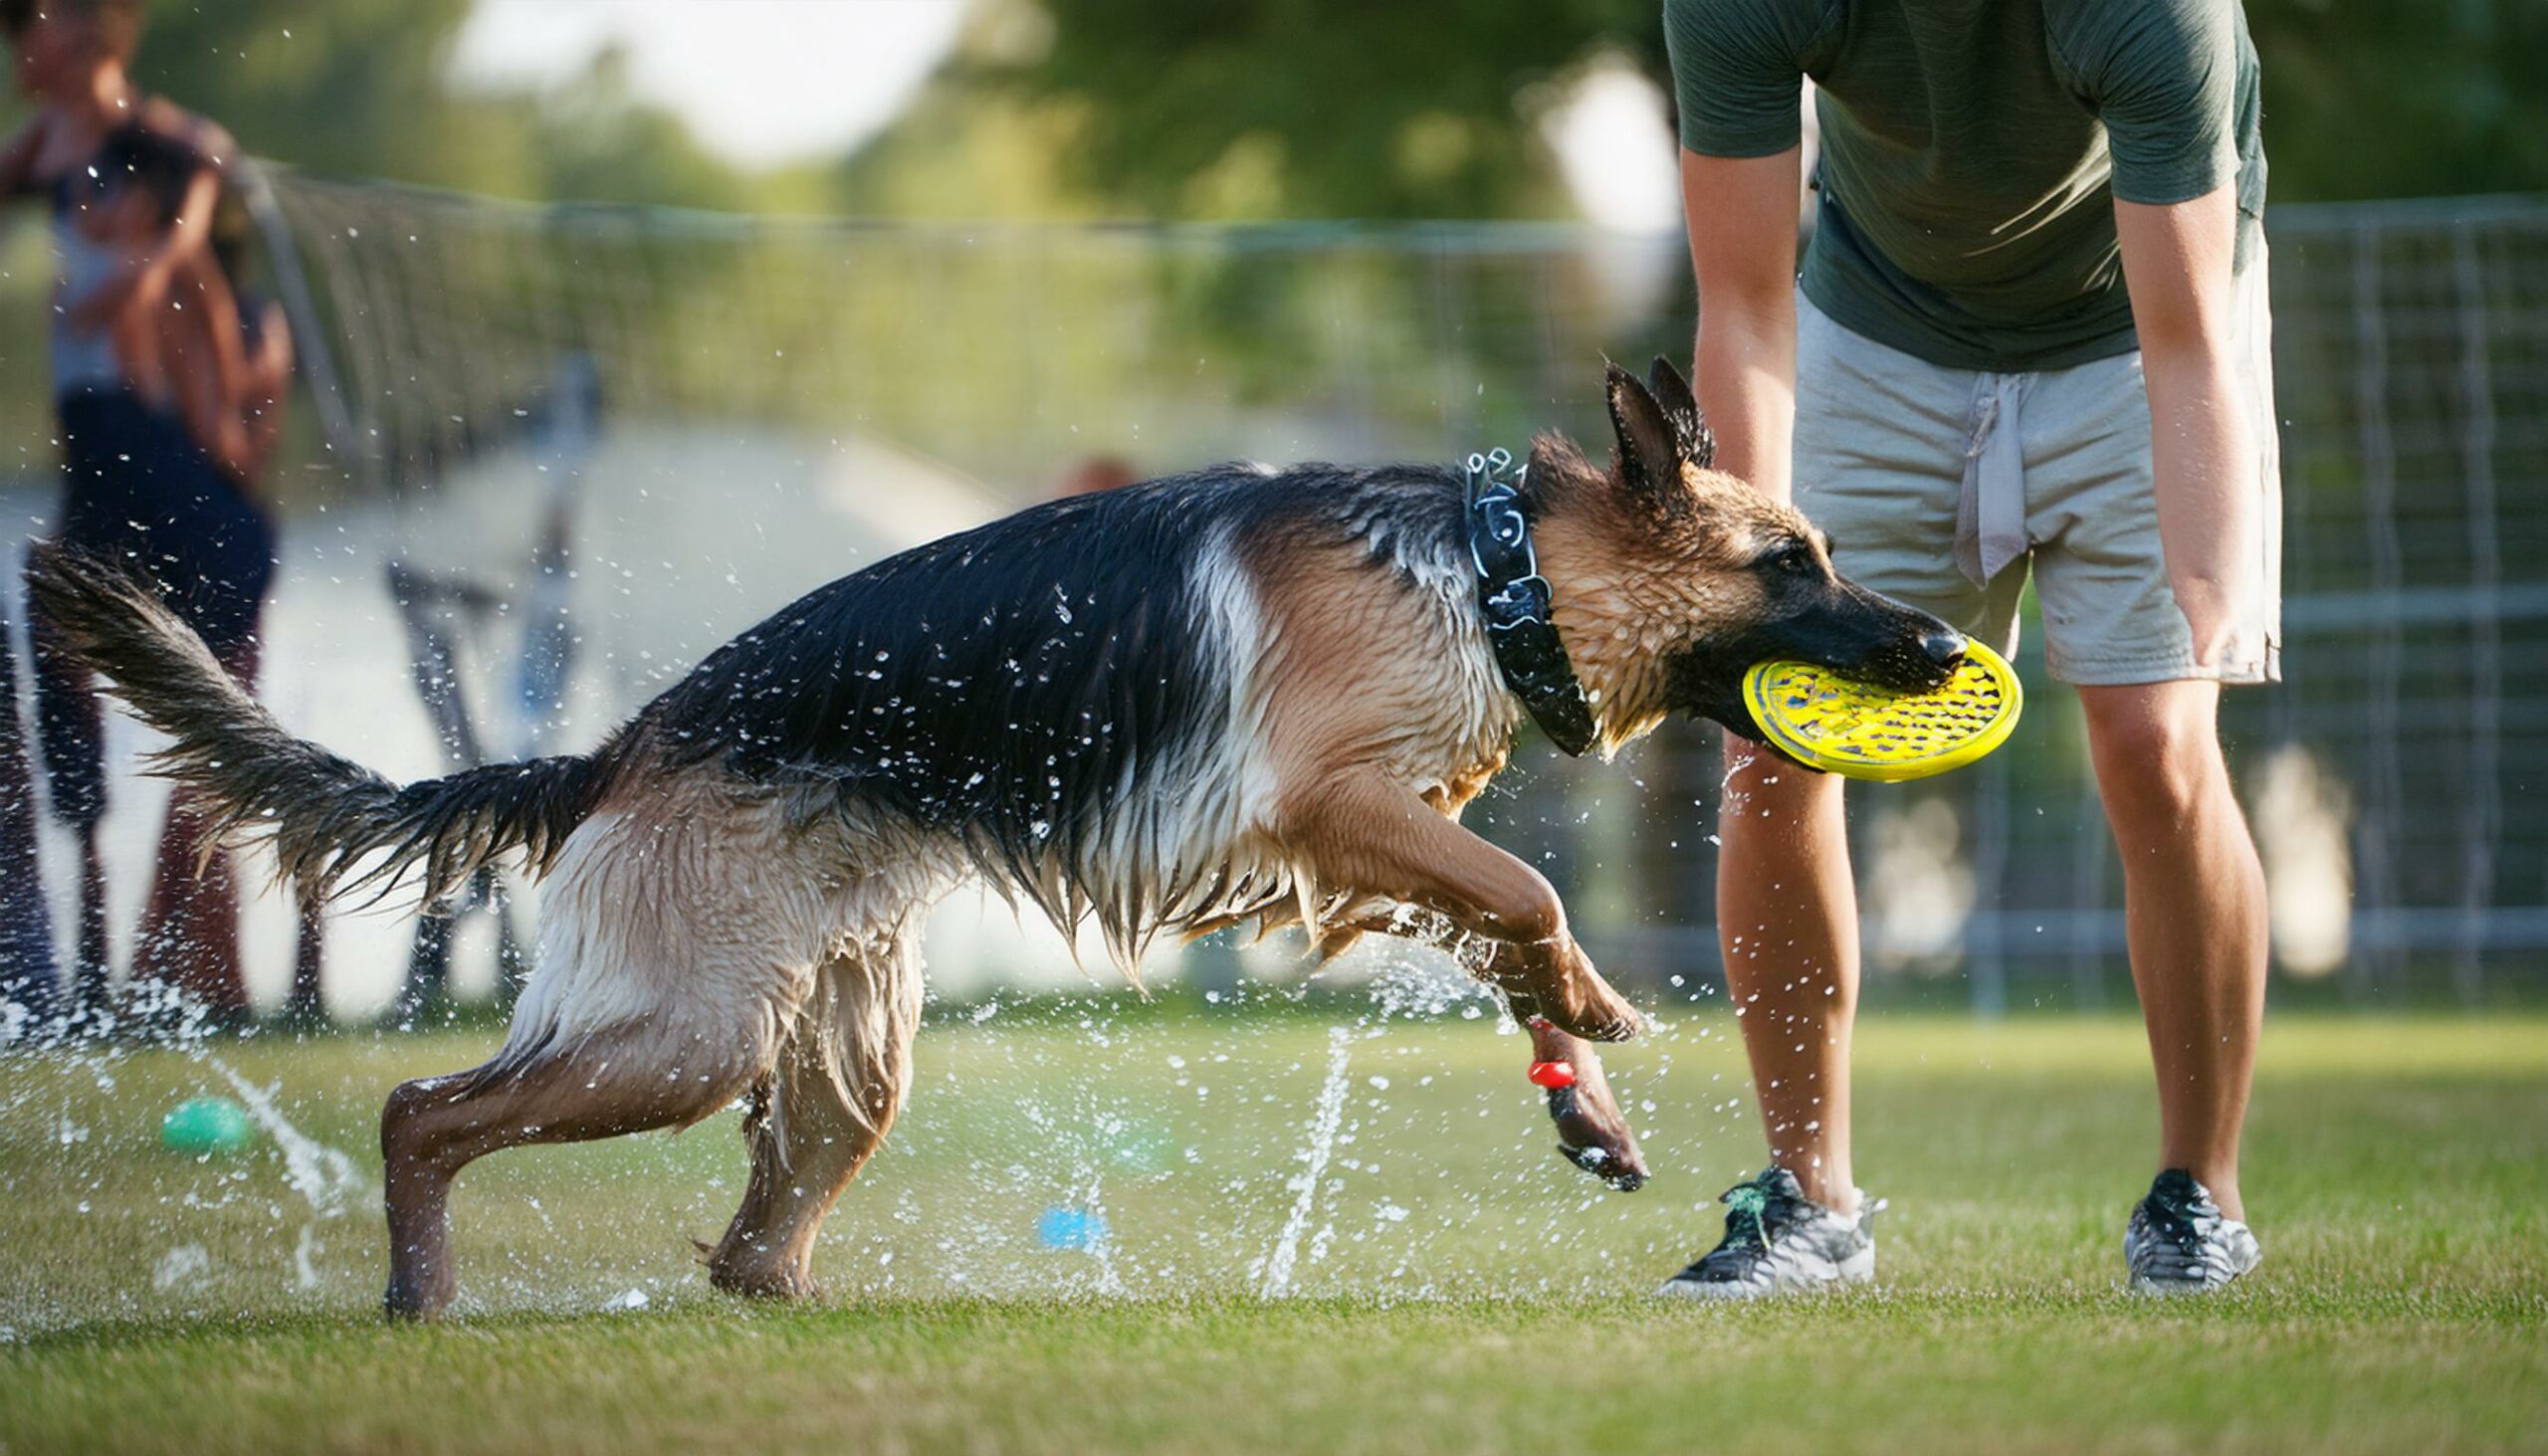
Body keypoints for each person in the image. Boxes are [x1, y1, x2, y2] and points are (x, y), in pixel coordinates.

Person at [1655, 0, 2276, 1296]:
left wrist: (2211, 594)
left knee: (2159, 742)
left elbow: (2187, 340)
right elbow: (1746, 308)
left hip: (2132, 329)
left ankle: (2198, 1193)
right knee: (1773, 741)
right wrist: (1747, 589)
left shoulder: (2155, 19)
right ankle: (1812, 1196)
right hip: (1873, 329)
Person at [3, 0, 273, 1023]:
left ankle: (176, 966)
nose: (20, 52)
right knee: (52, 635)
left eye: (32, 31)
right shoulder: (47, 149)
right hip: (95, 465)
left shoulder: (149, 151)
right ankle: (84, 962)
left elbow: (206, 173)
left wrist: (155, 264)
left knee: (191, 653)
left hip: (142, 458)